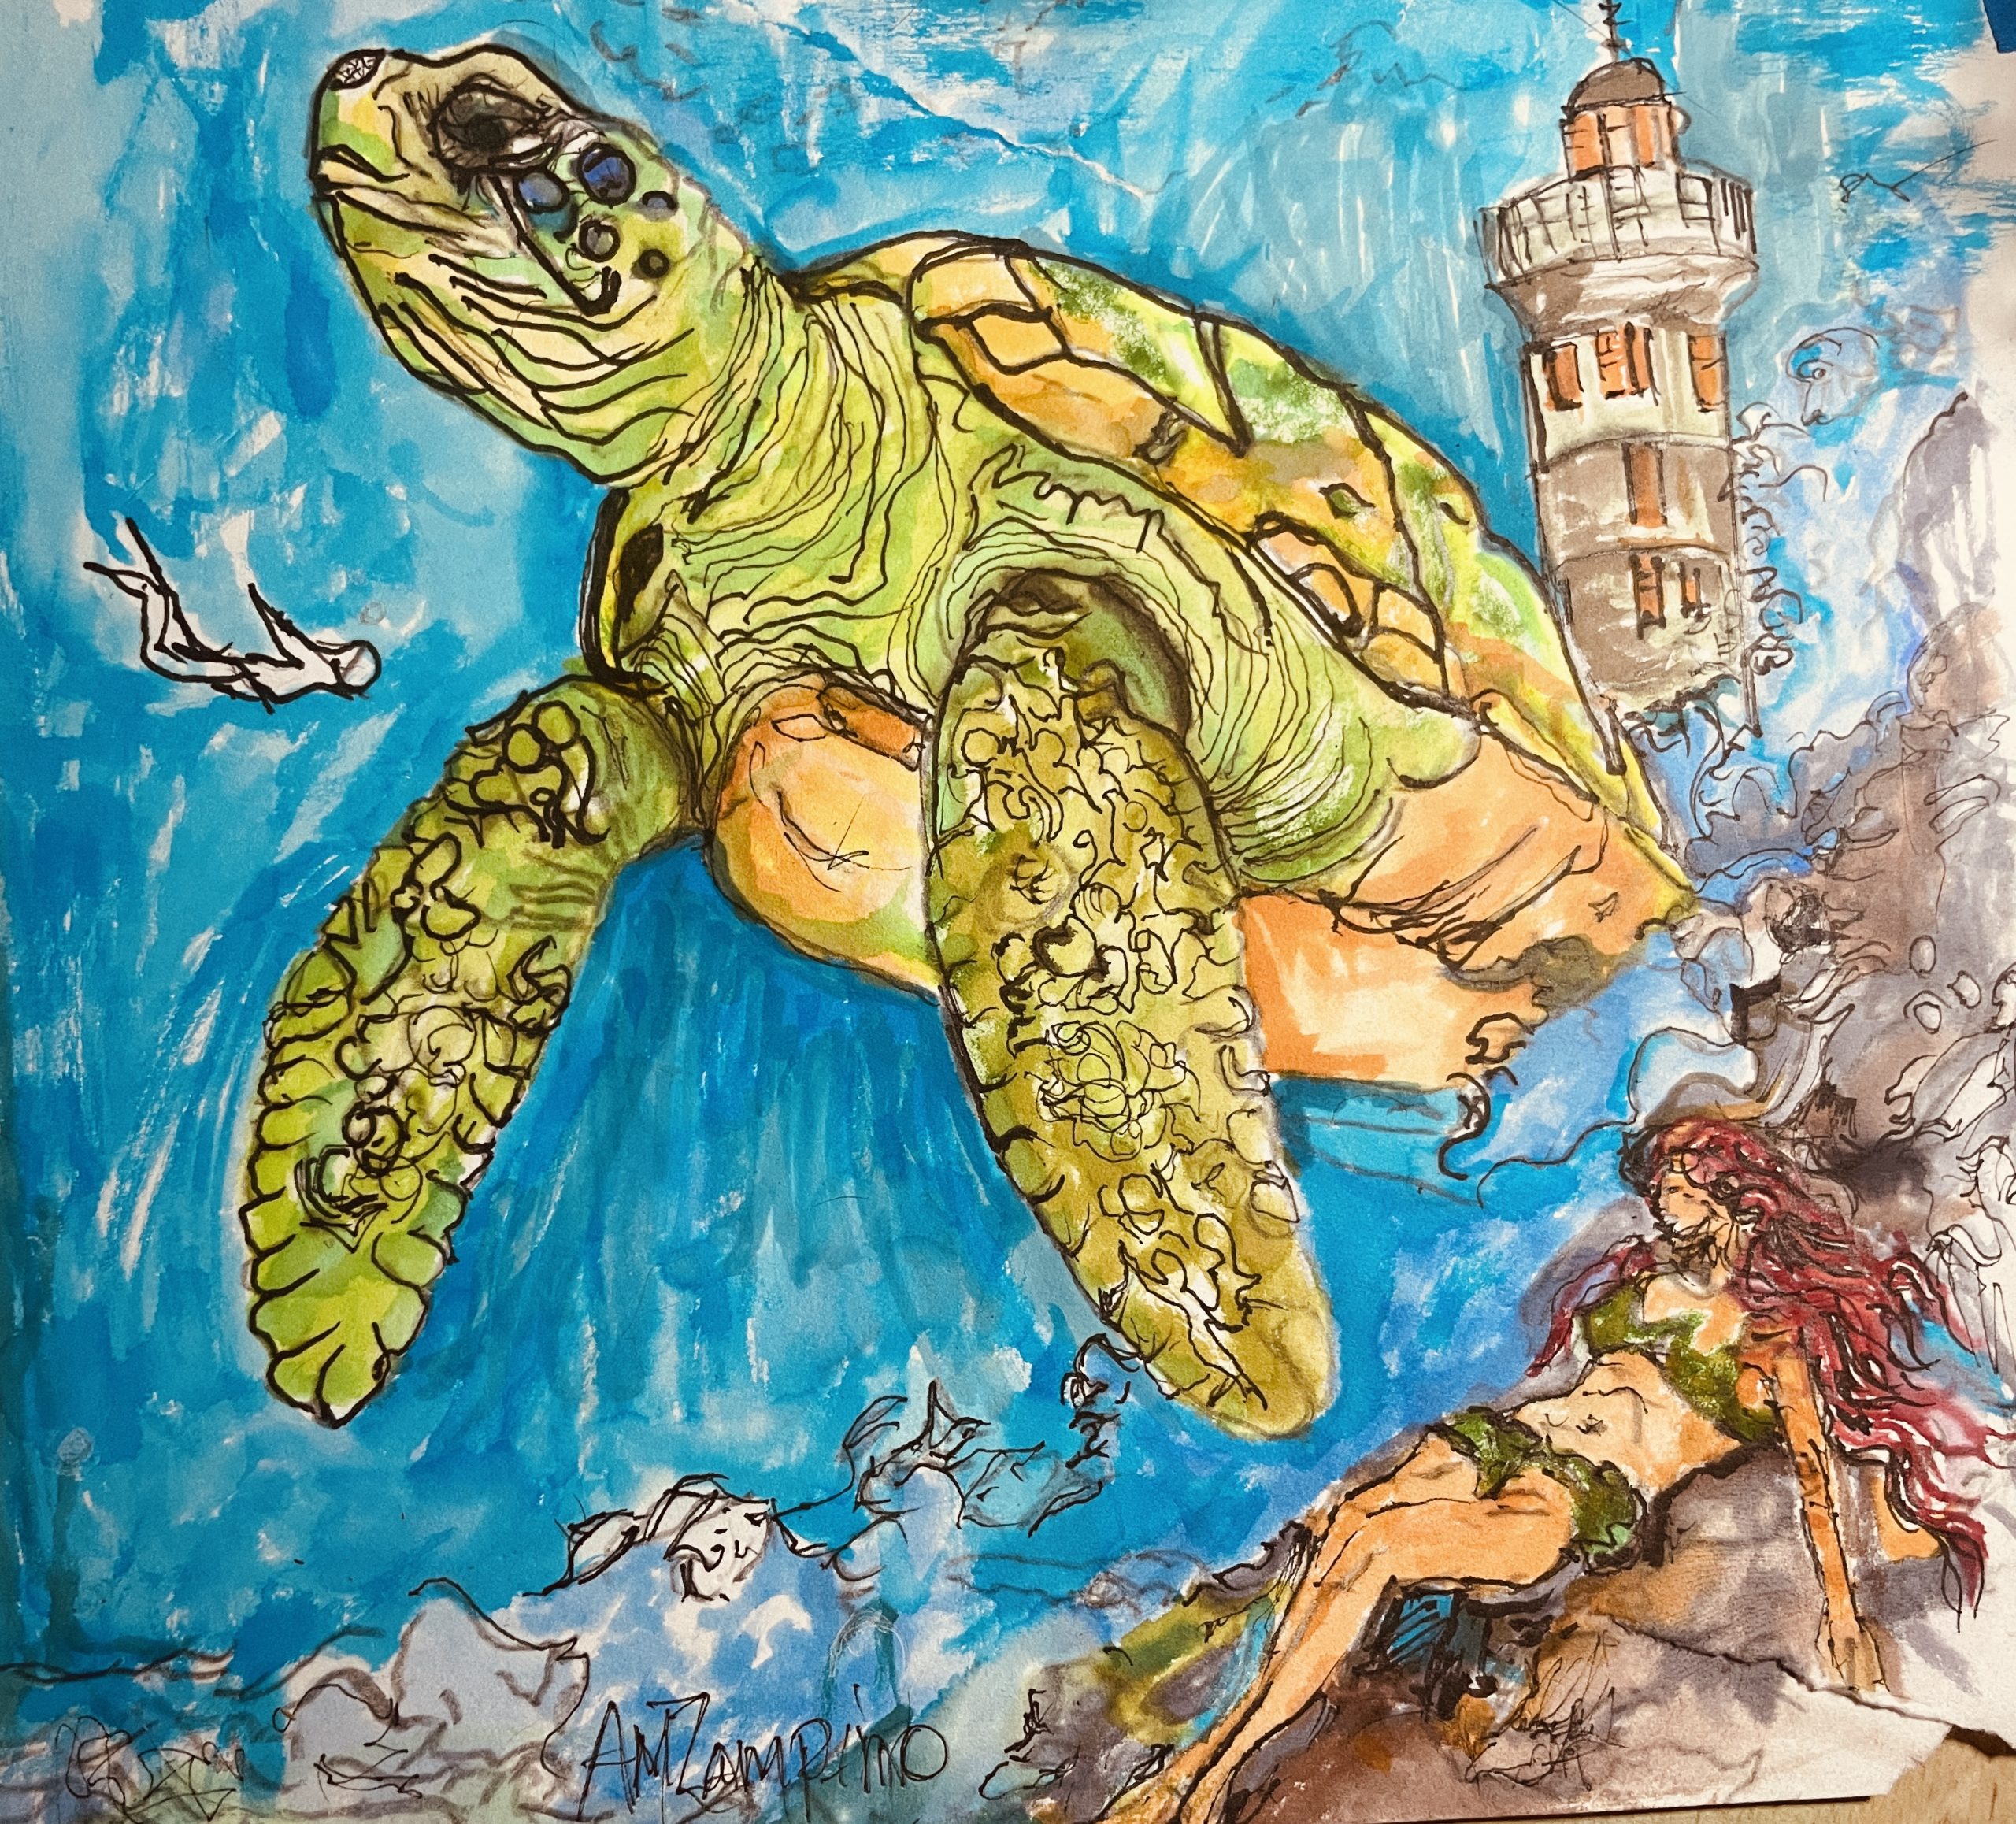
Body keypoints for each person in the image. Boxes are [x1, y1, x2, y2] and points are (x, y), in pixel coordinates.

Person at [1102, 1118, 1996, 1824]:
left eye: (1678, 1188)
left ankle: (1200, 1775)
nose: (1660, 1204)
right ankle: (1205, 1744)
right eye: (1660, 1188)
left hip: (1575, 1493)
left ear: (1732, 1199)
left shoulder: (1773, 1344)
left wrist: (1843, 1615)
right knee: (1346, 1523)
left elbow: (1815, 1480)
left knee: (1376, 1549)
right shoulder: (1647, 1279)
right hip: (1506, 1440)